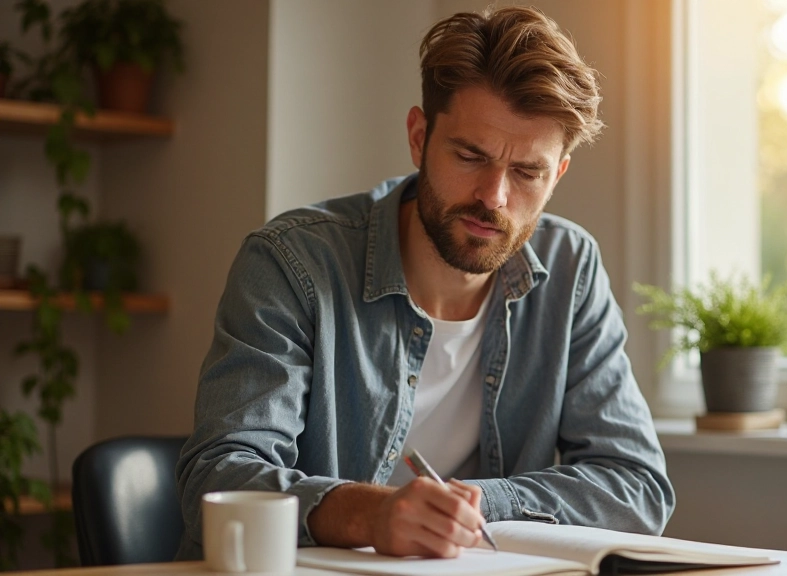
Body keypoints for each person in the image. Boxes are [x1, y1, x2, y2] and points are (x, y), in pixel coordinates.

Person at [176, 5, 674, 561]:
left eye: (527, 172)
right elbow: (218, 478)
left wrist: (473, 506)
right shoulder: (293, 262)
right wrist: (373, 513)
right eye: (469, 156)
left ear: (556, 174)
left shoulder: (571, 267)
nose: (494, 197)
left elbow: (637, 486)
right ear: (419, 138)